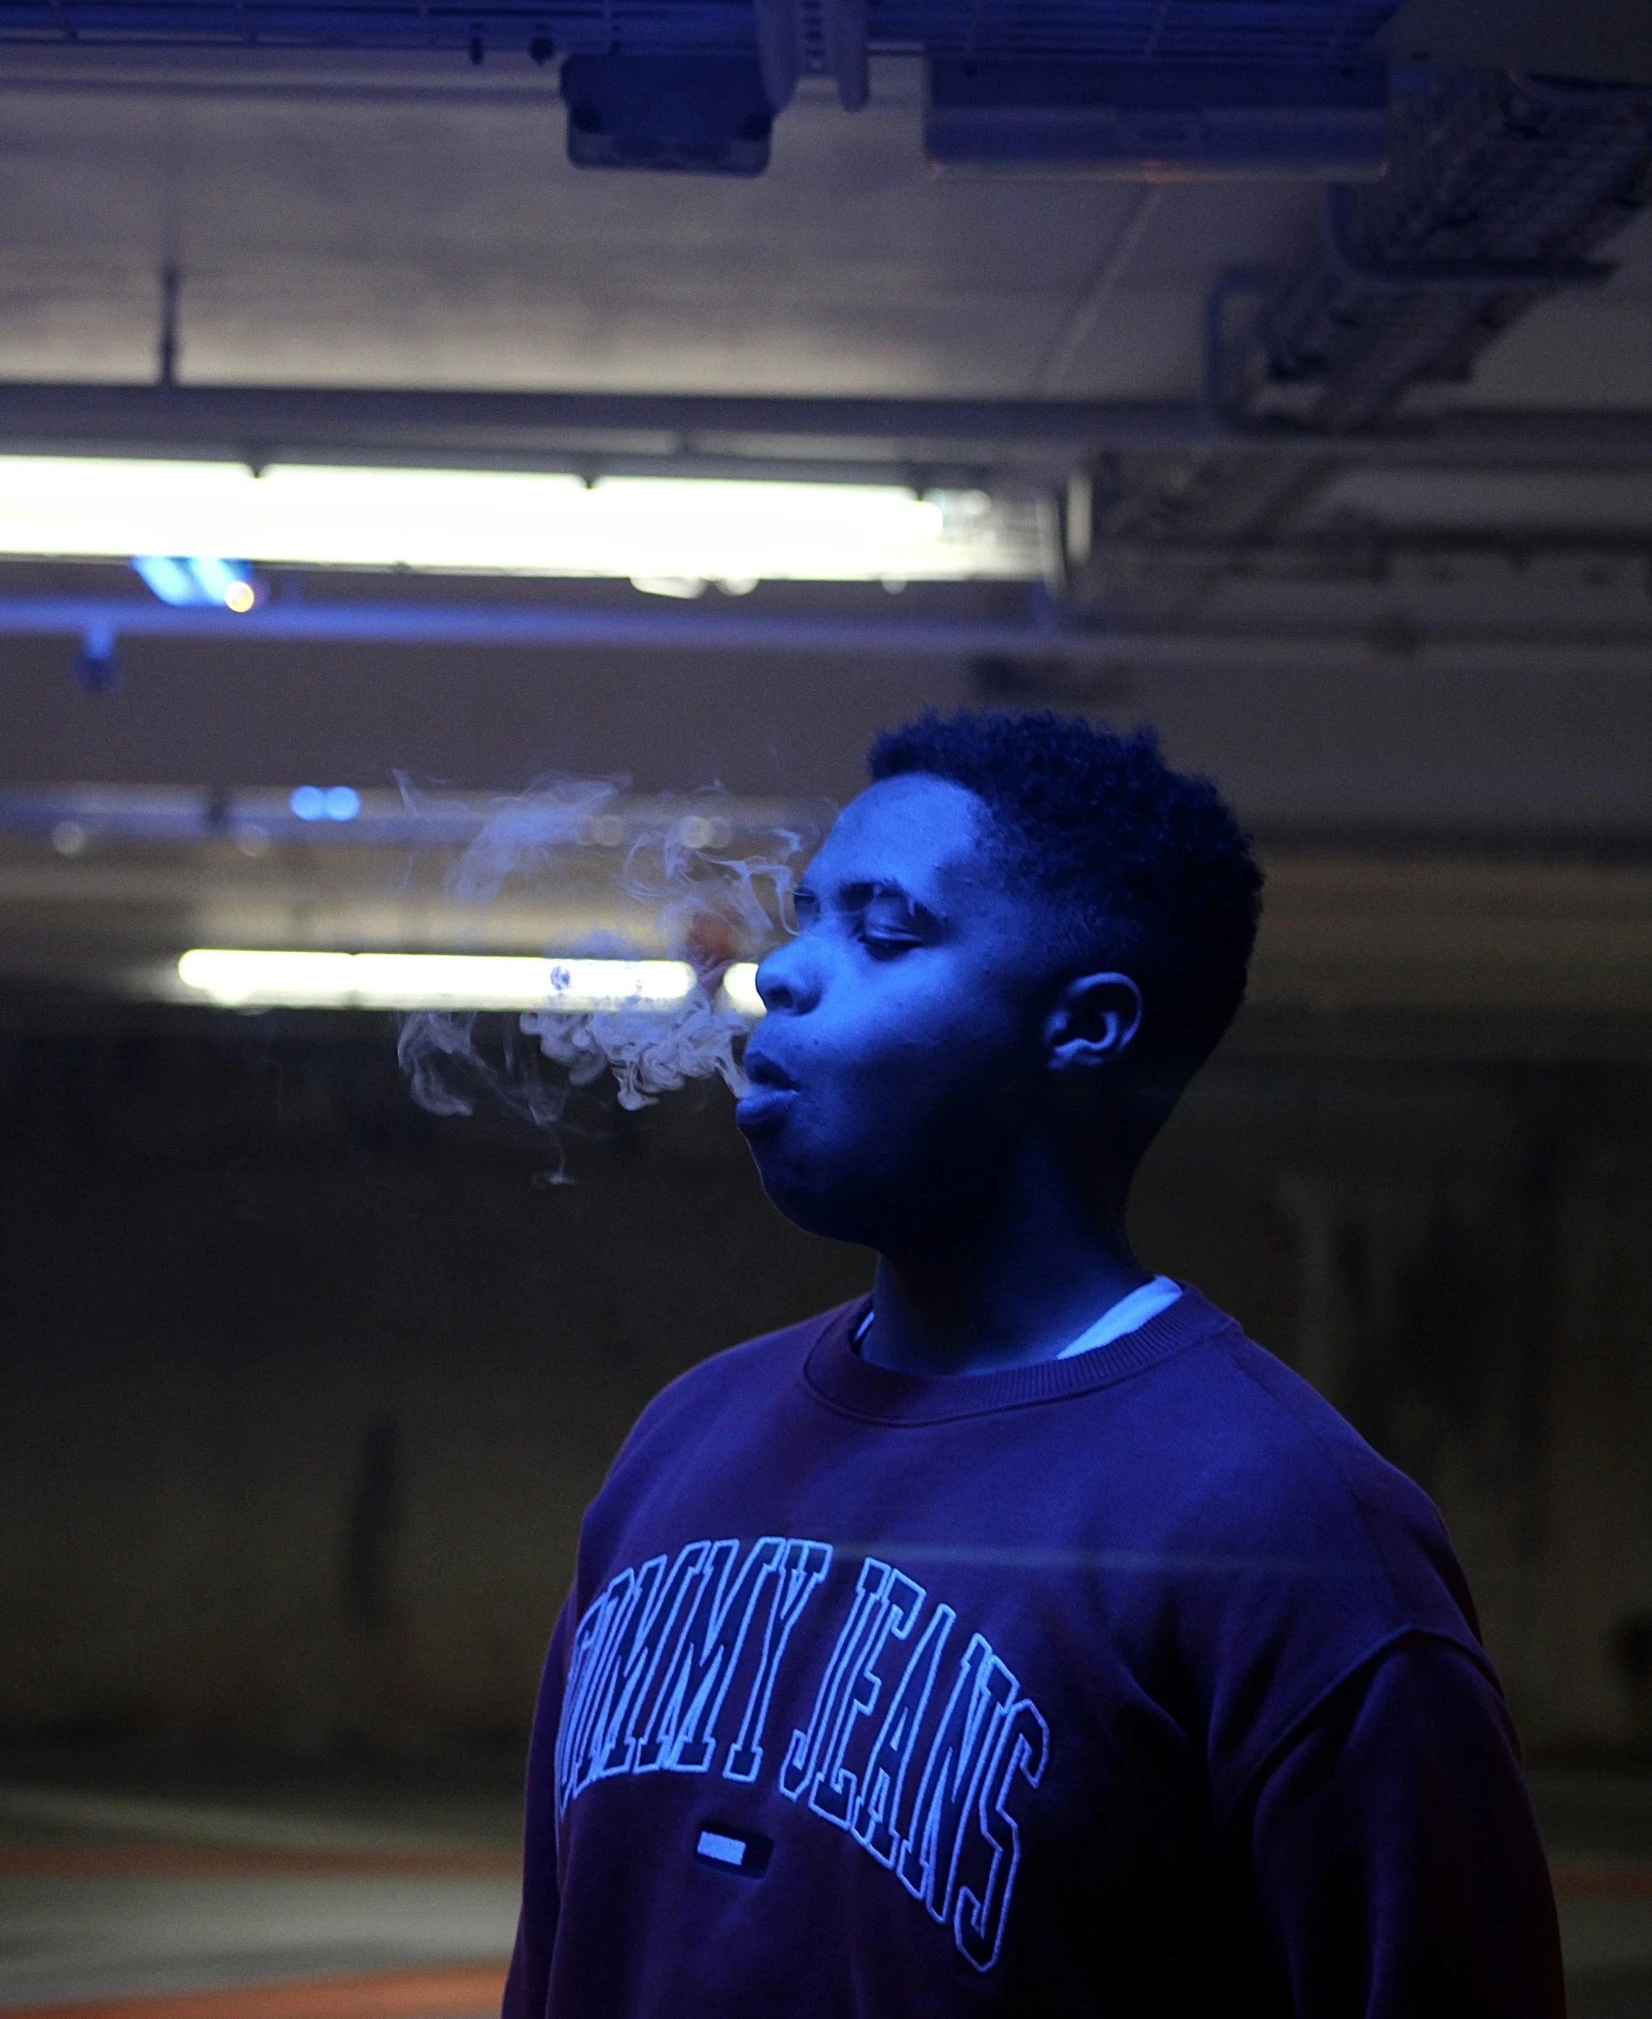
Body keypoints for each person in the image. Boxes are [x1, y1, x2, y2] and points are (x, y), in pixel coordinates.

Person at [503, 709, 1564, 2018]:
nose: (783, 973)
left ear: (1086, 1028)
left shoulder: (1298, 1535)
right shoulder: (681, 1439)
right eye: (805, 916)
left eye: (884, 928)